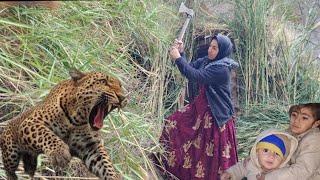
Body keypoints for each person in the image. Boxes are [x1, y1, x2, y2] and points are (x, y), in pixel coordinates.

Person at [156, 34, 239, 179]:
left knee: (208, 151)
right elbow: (189, 68)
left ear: (222, 51)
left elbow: (195, 76)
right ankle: (167, 163)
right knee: (172, 123)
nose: (210, 50)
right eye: (210, 47)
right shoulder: (207, 61)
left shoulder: (221, 69)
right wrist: (181, 53)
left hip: (216, 115)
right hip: (200, 107)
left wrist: (177, 58)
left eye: (215, 48)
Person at [261, 103, 320, 180]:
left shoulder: (314, 140)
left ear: (316, 123)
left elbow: (303, 170)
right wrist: (255, 157)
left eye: (304, 118)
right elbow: (271, 145)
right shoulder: (290, 133)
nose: (296, 121)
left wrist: (268, 177)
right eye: (294, 115)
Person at [220, 129, 298, 180]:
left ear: (283, 159)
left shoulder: (285, 172)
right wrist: (230, 174)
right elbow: (239, 169)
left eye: (277, 154)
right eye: (266, 150)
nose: (271, 156)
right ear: (257, 152)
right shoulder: (251, 163)